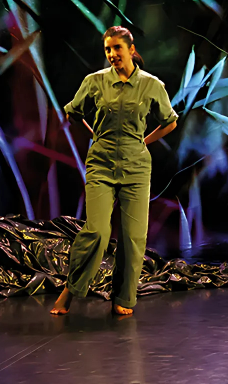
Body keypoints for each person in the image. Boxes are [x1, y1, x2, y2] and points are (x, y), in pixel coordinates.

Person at [50, 26, 178, 316]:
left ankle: (123, 296)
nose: (111, 55)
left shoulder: (151, 84)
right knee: (97, 230)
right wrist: (95, 134)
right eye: (107, 49)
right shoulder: (94, 81)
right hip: (101, 164)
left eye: (116, 48)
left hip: (136, 167)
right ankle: (71, 289)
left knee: (134, 238)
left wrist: (144, 141)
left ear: (131, 50)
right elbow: (73, 111)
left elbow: (170, 121)